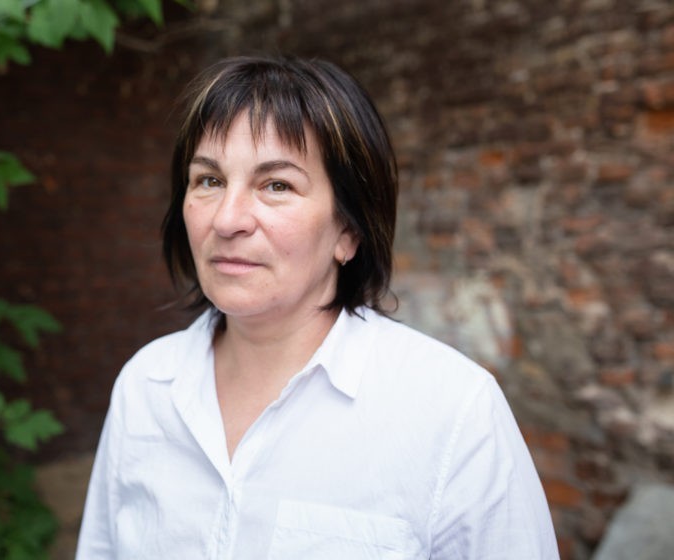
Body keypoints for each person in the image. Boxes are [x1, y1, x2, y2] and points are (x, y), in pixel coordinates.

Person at [75, 55, 558, 559]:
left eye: (276, 185)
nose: (227, 219)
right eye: (210, 180)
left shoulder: (451, 412)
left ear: (348, 231)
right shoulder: (146, 388)